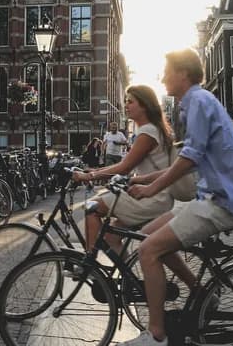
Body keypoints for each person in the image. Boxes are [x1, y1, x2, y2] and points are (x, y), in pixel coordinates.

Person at [120, 48, 233, 346]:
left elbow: (190, 158)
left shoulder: (198, 101)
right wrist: (144, 180)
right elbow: (191, 158)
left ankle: (156, 334)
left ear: (182, 74)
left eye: (167, 72)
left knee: (148, 250)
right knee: (147, 235)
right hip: (212, 197)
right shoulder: (193, 103)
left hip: (223, 202)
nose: (162, 77)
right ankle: (203, 293)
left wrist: (153, 189)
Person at [72, 85, 175, 252]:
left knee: (92, 207)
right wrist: (95, 172)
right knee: (111, 238)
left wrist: (89, 176)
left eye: (130, 102)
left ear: (144, 105)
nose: (126, 105)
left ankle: (89, 261)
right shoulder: (153, 129)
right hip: (155, 194)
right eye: (126, 101)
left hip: (151, 197)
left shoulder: (148, 132)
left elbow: (125, 167)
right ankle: (124, 271)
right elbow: (127, 165)